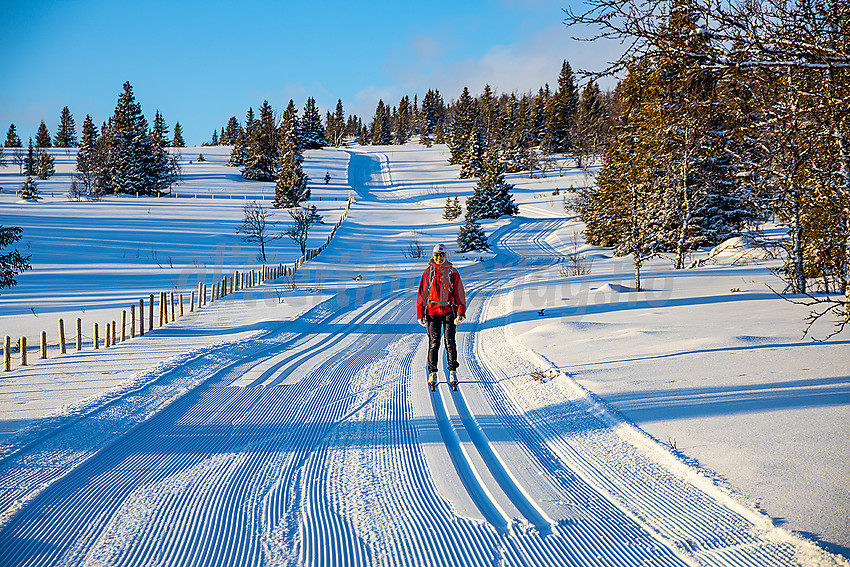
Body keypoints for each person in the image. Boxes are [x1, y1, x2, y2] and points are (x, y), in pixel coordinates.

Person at [417, 243, 466, 387]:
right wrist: (420, 314)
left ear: (446, 256)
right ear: (433, 256)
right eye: (437, 255)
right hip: (432, 312)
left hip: (449, 312)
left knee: (450, 342)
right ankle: (433, 373)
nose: (439, 258)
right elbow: (422, 295)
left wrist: (461, 312)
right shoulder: (428, 273)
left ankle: (453, 371)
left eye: (442, 255)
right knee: (434, 343)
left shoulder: (453, 272)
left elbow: (460, 295)